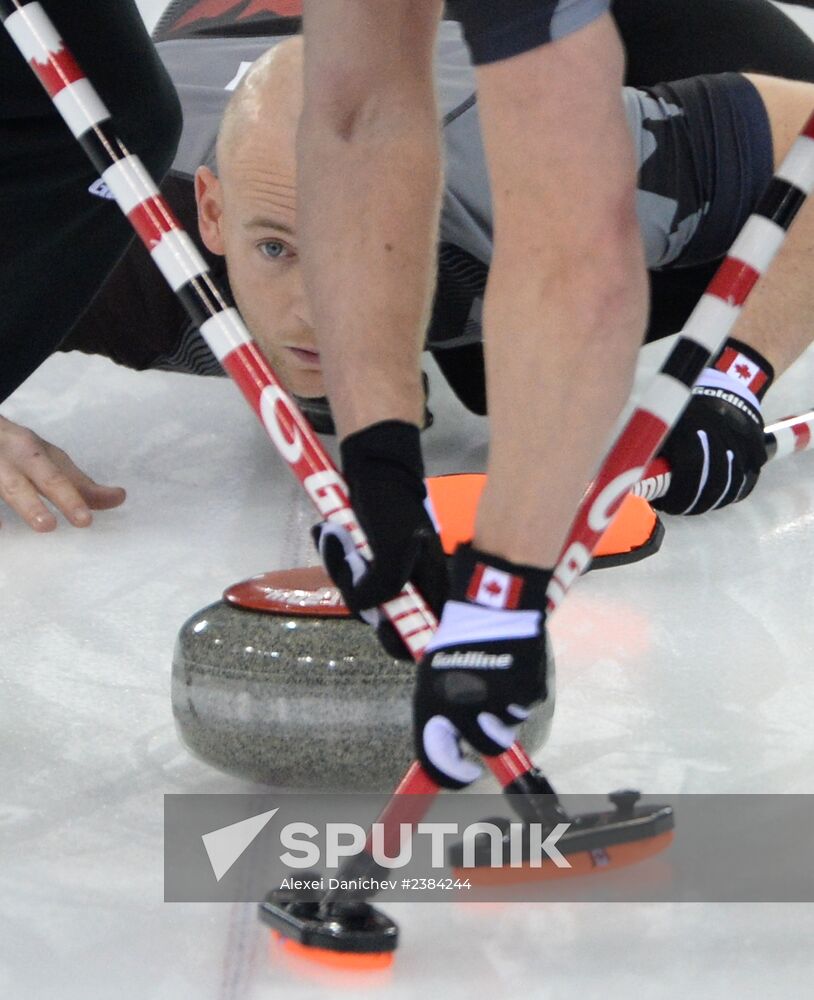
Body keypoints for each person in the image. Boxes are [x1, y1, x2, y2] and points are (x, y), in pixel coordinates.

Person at [1, 1, 813, 531]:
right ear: (210, 213)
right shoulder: (109, 238)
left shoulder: (509, 158)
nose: (317, 313)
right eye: (276, 248)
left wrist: (734, 380)